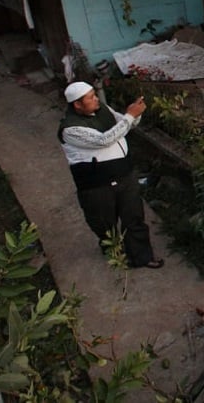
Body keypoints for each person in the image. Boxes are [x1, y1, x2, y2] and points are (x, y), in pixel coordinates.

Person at [57, 81, 163, 269]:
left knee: (134, 218)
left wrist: (134, 114)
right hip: (96, 184)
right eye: (90, 97)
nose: (96, 98)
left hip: (125, 175)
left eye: (94, 94)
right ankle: (116, 254)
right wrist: (130, 116)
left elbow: (124, 125)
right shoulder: (70, 129)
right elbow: (104, 140)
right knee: (104, 223)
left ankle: (142, 256)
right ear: (77, 105)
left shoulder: (102, 109)